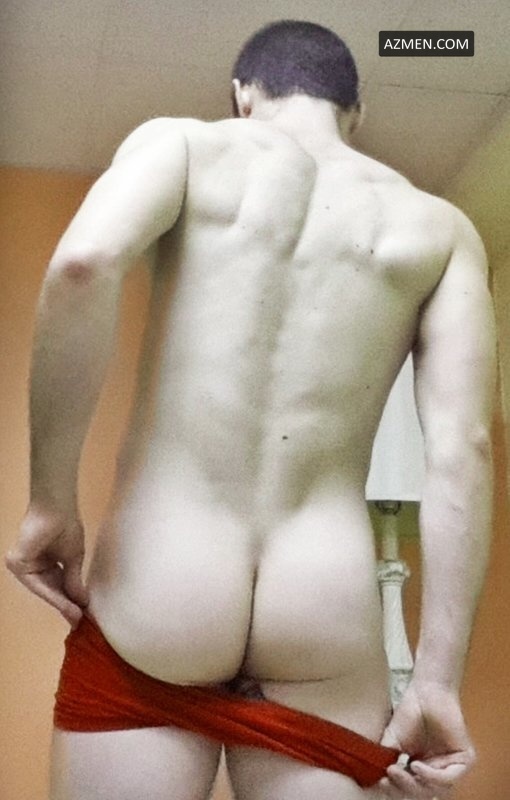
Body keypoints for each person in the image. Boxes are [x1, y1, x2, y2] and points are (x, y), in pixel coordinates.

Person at [5, 19, 495, 800]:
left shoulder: (184, 146)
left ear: (242, 94)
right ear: (355, 112)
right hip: (324, 605)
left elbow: (83, 265)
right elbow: (462, 447)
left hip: (163, 584)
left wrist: (50, 502)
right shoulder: (441, 230)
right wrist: (436, 679)